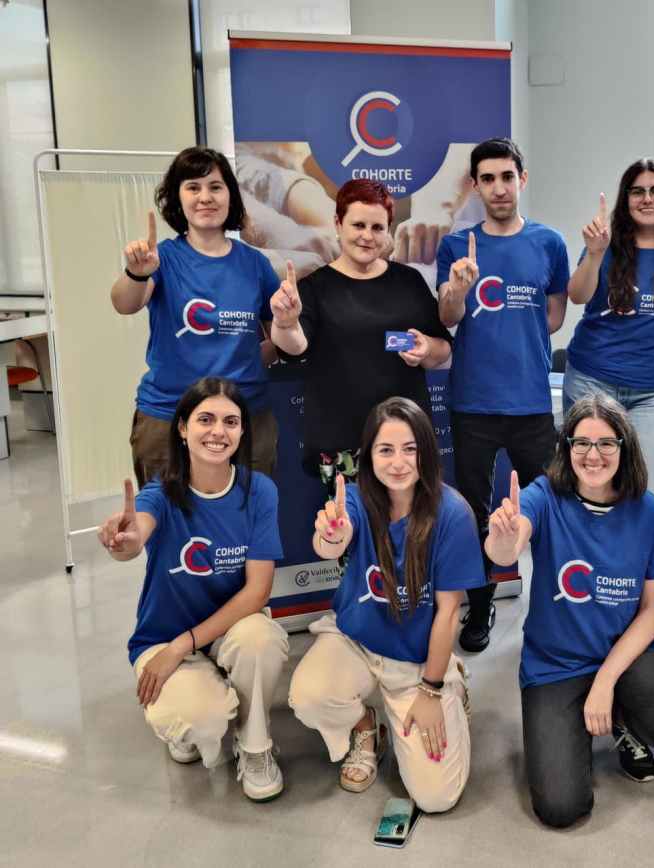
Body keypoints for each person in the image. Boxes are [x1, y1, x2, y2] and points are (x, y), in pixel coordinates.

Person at [486, 394, 654, 828]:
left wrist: (606, 681)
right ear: (566, 447)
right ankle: (575, 726)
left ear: (624, 447)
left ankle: (623, 720)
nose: (593, 455)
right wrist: (504, 538)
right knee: (561, 808)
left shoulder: (647, 511)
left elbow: (653, 608)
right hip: (555, 666)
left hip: (623, 660)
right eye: (582, 443)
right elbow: (506, 548)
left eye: (606, 443)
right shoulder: (544, 496)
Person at [97, 377, 289, 802]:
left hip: (225, 631)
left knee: (261, 640)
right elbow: (136, 536)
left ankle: (255, 745)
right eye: (205, 420)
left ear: (242, 432)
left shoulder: (260, 491)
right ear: (182, 428)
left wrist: (183, 646)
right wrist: (125, 542)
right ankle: (196, 708)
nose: (218, 431)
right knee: (200, 720)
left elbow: (257, 592)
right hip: (162, 637)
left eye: (230, 422)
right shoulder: (159, 494)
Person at [288, 397, 484, 812]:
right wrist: (330, 535)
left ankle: (452, 684)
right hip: (356, 641)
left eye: (410, 449)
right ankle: (366, 727)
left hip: (415, 660)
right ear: (368, 455)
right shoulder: (356, 498)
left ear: (426, 452)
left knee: (436, 798)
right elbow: (332, 540)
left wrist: (431, 691)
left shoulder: (453, 514)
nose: (398, 462)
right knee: (309, 697)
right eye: (386, 450)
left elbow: (449, 612)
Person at [436, 137, 570, 653]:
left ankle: (556, 606)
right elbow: (447, 318)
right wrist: (459, 289)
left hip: (531, 403)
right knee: (473, 513)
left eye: (506, 177)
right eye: (487, 179)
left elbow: (553, 317)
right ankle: (481, 605)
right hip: (472, 403)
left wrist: (520, 338)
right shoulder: (456, 247)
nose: (498, 188)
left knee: (551, 507)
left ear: (522, 179)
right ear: (475, 186)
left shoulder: (549, 243)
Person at [111, 147, 280, 489]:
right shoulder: (163, 259)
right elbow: (124, 303)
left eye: (216, 187)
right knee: (166, 517)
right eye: (193, 187)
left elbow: (280, 336)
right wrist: (136, 272)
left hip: (245, 417)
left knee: (246, 516)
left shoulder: (256, 264)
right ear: (178, 197)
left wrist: (247, 360)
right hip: (169, 417)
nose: (205, 197)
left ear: (231, 196)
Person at [269, 179, 453, 482]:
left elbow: (442, 348)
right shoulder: (315, 288)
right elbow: (293, 347)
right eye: (358, 225)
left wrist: (427, 349)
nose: (367, 236)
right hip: (340, 445)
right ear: (338, 224)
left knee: (412, 515)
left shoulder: (409, 282)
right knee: (348, 515)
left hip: (406, 444)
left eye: (378, 227)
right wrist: (285, 323)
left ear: (388, 231)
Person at [564, 157, 654, 509]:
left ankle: (646, 550)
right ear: (625, 200)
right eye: (637, 191)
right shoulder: (604, 246)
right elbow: (577, 295)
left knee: (652, 496)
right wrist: (594, 254)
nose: (647, 199)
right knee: (591, 488)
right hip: (592, 382)